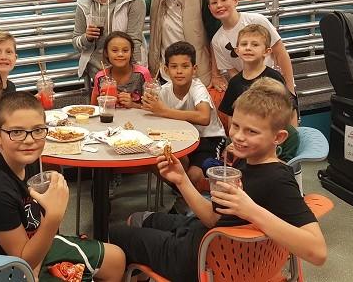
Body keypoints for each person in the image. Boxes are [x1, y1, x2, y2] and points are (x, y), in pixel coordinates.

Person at [109, 78, 327, 282]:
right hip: (205, 236)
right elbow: (214, 218)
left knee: (113, 234)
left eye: (251, 132)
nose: (238, 136)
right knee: (141, 218)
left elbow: (317, 252)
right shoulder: (247, 162)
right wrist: (182, 180)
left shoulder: (278, 180)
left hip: (202, 260)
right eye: (236, 126)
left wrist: (250, 210)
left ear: (278, 137)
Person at [0, 92, 126, 281]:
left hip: (29, 247)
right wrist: (53, 217)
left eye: (37, 130)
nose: (29, 140)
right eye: (16, 132)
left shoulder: (30, 161)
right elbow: (24, 263)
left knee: (116, 259)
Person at [142, 41, 226, 188]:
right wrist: (134, 104)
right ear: (166, 70)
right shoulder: (164, 90)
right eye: (174, 67)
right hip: (180, 138)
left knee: (193, 175)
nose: (179, 71)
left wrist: (164, 111)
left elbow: (204, 117)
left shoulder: (197, 88)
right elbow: (152, 109)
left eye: (185, 66)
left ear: (194, 69)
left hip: (209, 139)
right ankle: (182, 193)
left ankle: (186, 195)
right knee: (155, 162)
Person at [146, 0, 224, 90]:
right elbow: (136, 10)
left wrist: (216, 74)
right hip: (164, 77)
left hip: (198, 78)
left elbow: (217, 38)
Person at [217, 25, 299, 161]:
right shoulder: (235, 83)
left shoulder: (275, 78)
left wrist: (292, 132)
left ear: (267, 51)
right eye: (244, 44)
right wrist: (235, 140)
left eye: (255, 44)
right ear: (237, 50)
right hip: (246, 142)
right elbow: (232, 116)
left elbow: (289, 108)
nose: (248, 48)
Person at [207, 0, 295, 94]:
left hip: (275, 85)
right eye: (214, 2)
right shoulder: (217, 41)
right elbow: (233, 72)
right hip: (250, 93)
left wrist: (290, 89)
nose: (219, 5)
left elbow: (280, 53)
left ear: (235, 0)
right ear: (209, 8)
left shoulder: (257, 20)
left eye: (224, 0)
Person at [72, 0, 146, 79]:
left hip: (126, 70)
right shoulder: (84, 2)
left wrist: (134, 76)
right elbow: (76, 42)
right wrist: (87, 38)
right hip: (97, 72)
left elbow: (135, 41)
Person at [90, 31, 152, 108]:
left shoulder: (142, 74)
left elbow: (152, 108)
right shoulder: (101, 77)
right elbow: (93, 108)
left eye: (125, 50)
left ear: (131, 52)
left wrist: (133, 105)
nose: (120, 54)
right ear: (106, 53)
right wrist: (102, 102)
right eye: (114, 50)